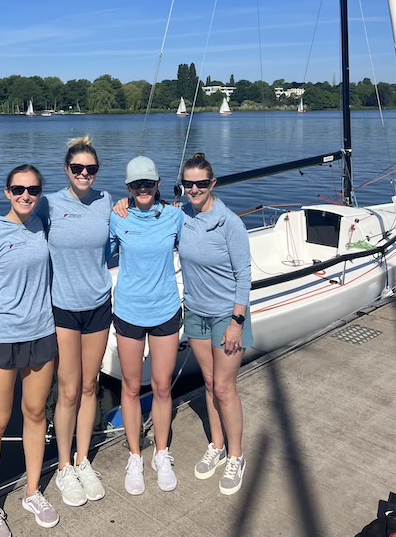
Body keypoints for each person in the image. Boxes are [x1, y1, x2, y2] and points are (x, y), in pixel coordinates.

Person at [0, 164, 59, 537]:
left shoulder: (45, 224)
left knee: (36, 413)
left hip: (42, 335)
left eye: (33, 190)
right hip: (2, 339)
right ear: (7, 192)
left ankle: (32, 491)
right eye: (19, 189)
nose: (26, 196)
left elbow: (81, 207)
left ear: (40, 193)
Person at [37, 136, 112, 507]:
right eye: (77, 168)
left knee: (90, 385)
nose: (84, 174)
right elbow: (19, 224)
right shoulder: (48, 205)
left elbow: (133, 219)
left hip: (99, 304)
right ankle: (64, 465)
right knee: (67, 389)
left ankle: (84, 460)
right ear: (66, 170)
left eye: (91, 169)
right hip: (63, 307)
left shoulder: (108, 201)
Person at [177, 152, 253, 496]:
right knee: (208, 383)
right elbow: (147, 211)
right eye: (189, 184)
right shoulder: (182, 217)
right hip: (195, 311)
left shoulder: (229, 223)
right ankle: (217, 445)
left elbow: (244, 275)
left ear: (213, 184)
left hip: (227, 315)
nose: (194, 189)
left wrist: (237, 322)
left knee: (224, 387)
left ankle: (236, 455)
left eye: (201, 183)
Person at [109, 156, 184, 495]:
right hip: (128, 312)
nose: (142, 189)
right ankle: (136, 455)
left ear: (158, 183)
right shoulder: (117, 216)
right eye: (136, 184)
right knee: (131, 386)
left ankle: (162, 453)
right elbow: (99, 254)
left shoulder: (174, 216)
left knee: (163, 386)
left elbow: (198, 248)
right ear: (128, 188)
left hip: (166, 310)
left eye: (147, 183)